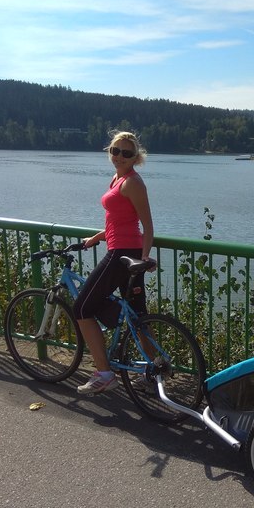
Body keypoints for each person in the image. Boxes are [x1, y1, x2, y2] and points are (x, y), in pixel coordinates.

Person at [74, 131, 154, 394]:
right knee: (138, 316)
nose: (119, 156)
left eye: (127, 153)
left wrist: (142, 258)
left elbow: (147, 225)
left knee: (82, 309)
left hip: (122, 254)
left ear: (136, 157)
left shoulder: (132, 183)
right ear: (110, 151)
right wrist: (97, 236)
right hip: (122, 248)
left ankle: (104, 374)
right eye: (115, 151)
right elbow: (118, 219)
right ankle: (155, 371)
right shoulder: (117, 178)